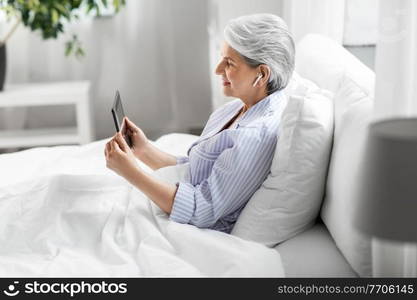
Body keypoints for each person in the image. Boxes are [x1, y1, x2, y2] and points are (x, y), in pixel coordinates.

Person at [104, 13, 295, 233]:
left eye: (229, 63)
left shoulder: (254, 137)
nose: (217, 69)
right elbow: (200, 171)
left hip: (196, 229)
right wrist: (144, 152)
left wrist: (131, 172)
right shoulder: (242, 106)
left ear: (261, 74)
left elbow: (200, 210)